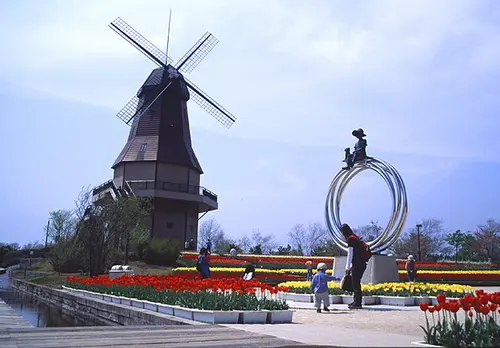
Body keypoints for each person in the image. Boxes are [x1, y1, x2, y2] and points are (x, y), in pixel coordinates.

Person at [341, 223, 367, 309]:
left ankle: (357, 303)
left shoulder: (350, 240)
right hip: (361, 264)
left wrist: (347, 267)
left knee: (355, 284)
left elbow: (350, 254)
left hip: (358, 265)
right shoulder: (356, 238)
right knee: (356, 283)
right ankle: (356, 301)